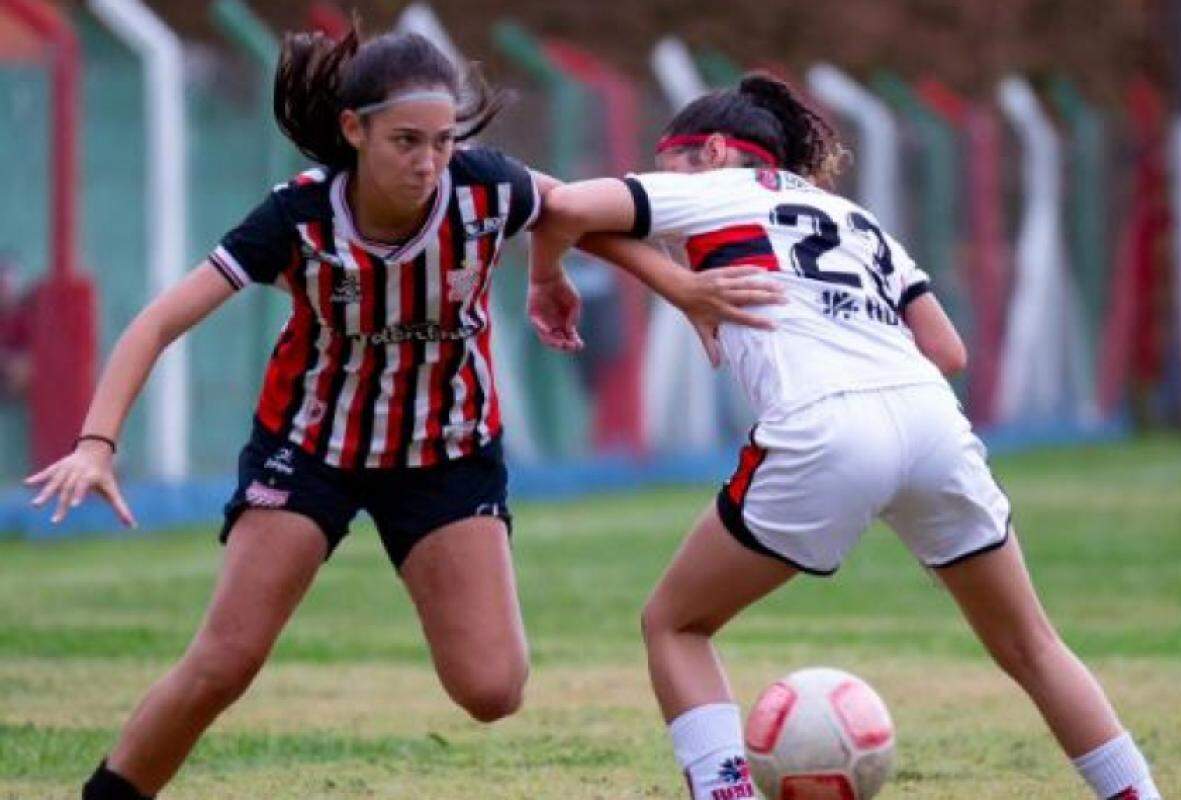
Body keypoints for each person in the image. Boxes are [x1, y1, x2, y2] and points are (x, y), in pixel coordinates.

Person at [24, 28, 781, 800]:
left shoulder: (485, 188)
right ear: (355, 131)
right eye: (406, 142)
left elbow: (573, 209)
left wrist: (675, 287)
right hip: (311, 448)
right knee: (226, 660)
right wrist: (96, 443)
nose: (428, 163)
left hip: (446, 453)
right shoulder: (298, 217)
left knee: (493, 689)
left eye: (444, 141)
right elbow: (157, 323)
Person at [532, 73, 1162, 800]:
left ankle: (723, 792)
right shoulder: (854, 219)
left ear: (710, 151)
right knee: (1033, 646)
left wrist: (547, 276)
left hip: (825, 423)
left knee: (674, 625)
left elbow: (567, 205)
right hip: (931, 420)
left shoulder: (713, 190)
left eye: (662, 164)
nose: (655, 181)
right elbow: (948, 350)